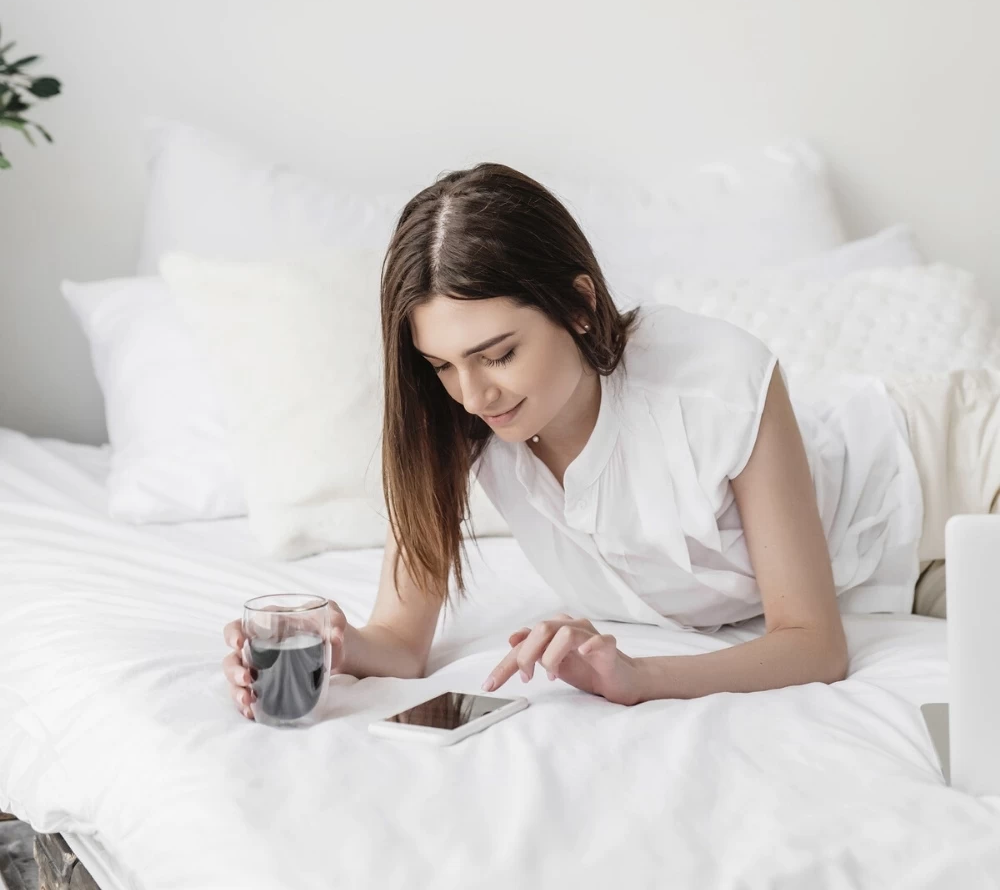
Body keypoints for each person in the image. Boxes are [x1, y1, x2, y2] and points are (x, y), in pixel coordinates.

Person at [222, 163, 1000, 718]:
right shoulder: (460, 421)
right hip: (888, 573)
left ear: (581, 307)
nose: (475, 392)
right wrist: (335, 643)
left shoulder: (714, 382)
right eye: (442, 365)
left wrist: (640, 676)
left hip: (954, 467)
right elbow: (400, 642)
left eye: (499, 353)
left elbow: (813, 645)